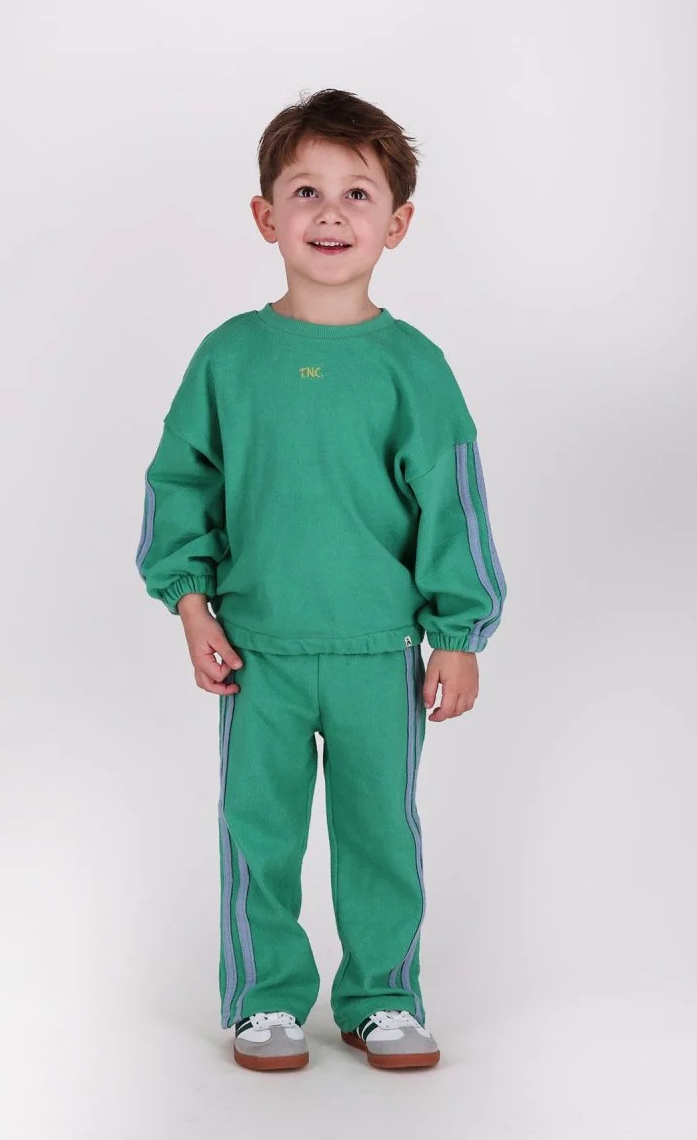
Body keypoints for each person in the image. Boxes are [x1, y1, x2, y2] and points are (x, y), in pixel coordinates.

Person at [135, 88, 507, 1072]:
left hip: (378, 655)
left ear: (398, 222)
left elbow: (454, 505)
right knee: (256, 832)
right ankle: (264, 999)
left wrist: (458, 634)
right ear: (266, 216)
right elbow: (179, 485)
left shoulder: (412, 367)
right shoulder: (229, 357)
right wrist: (191, 607)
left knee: (378, 832)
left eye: (357, 193)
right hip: (254, 654)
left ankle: (382, 997)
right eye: (306, 191)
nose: (331, 213)